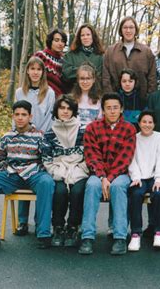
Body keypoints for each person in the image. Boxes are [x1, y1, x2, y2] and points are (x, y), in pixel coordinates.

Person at [0, 100, 54, 249]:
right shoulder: (7, 137)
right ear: (13, 116)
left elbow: (47, 160)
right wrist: (9, 169)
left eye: (24, 114)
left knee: (47, 182)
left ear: (30, 116)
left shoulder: (40, 136)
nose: (20, 118)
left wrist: (32, 170)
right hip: (12, 176)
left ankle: (44, 233)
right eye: (17, 114)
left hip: (34, 175)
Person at [78, 93, 136, 255]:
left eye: (115, 108)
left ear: (121, 109)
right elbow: (92, 156)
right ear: (103, 110)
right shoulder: (92, 128)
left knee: (118, 187)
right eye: (108, 108)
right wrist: (102, 176)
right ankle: (87, 237)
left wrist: (109, 178)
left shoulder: (129, 129)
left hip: (120, 174)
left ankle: (120, 237)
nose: (112, 111)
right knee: (91, 185)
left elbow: (125, 158)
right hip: (98, 173)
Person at [14, 56, 55, 234]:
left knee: (41, 180)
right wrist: (17, 138)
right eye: (32, 69)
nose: (35, 72)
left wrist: (40, 138)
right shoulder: (19, 92)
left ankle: (40, 222)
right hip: (23, 140)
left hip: (42, 139)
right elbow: (16, 116)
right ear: (28, 71)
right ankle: (23, 221)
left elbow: (50, 118)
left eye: (39, 69)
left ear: (43, 72)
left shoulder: (50, 93)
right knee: (24, 175)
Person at [42, 95, 89, 247]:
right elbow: (47, 160)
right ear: (56, 111)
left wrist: (79, 171)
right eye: (62, 108)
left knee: (77, 192)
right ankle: (58, 227)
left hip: (79, 169)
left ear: (74, 111)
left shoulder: (83, 130)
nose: (65, 111)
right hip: (58, 170)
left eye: (69, 108)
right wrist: (59, 173)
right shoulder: (49, 134)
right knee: (60, 191)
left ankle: (73, 227)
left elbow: (89, 156)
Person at [127, 110, 160, 251]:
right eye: (144, 122)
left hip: (154, 176)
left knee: (158, 194)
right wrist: (136, 177)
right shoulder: (134, 138)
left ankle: (159, 232)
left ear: (154, 124)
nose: (147, 125)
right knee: (136, 194)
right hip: (139, 176)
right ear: (139, 123)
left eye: (150, 122)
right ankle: (135, 234)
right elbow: (131, 160)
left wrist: (159, 179)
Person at [102, 16, 156, 102]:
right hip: (115, 103)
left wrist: (149, 100)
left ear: (136, 30)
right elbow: (106, 78)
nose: (128, 31)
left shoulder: (146, 52)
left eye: (131, 27)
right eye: (125, 27)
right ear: (121, 30)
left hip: (141, 103)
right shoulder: (110, 51)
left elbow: (152, 79)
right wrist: (110, 98)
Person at [62, 24, 105, 89]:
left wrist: (77, 70)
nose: (85, 37)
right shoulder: (70, 55)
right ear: (79, 38)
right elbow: (67, 73)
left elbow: (101, 75)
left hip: (95, 93)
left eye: (88, 35)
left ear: (93, 37)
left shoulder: (101, 56)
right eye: (82, 35)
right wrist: (88, 71)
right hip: (74, 93)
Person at [33, 28, 68, 96]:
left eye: (62, 41)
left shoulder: (64, 61)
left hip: (60, 100)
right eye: (56, 40)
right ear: (50, 41)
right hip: (41, 97)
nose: (60, 43)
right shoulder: (40, 56)